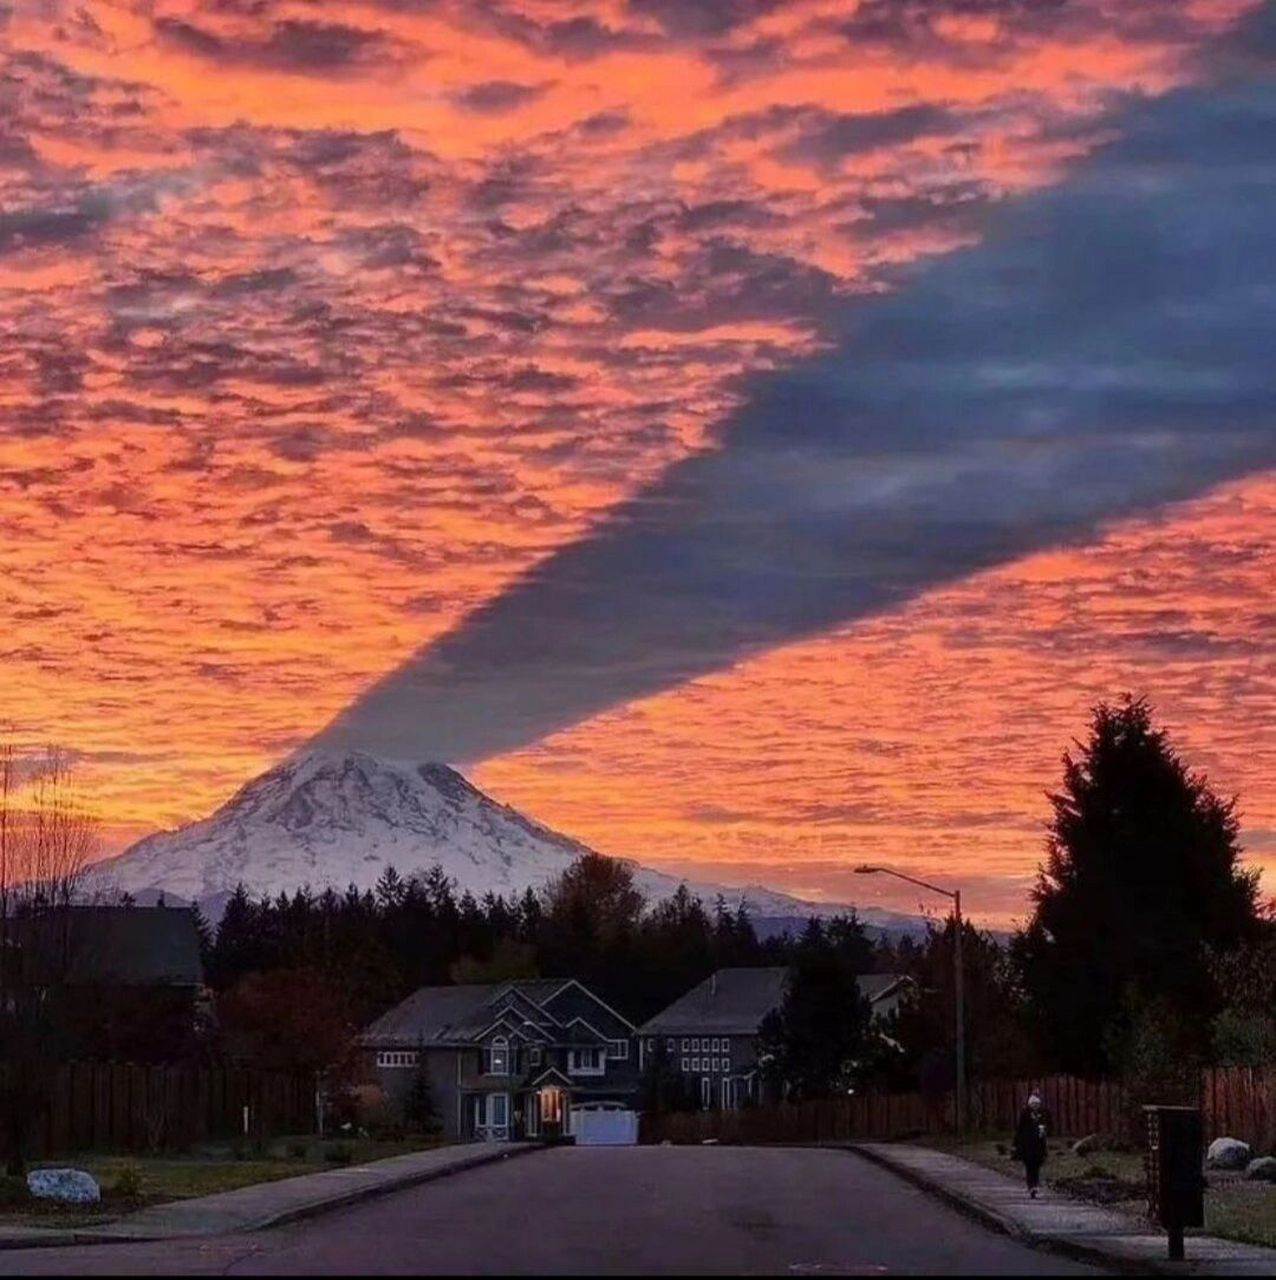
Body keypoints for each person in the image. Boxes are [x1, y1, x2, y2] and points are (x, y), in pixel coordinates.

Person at [1012, 1092, 1050, 1198]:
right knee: (1029, 1166)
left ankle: (1035, 1184)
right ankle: (1031, 1185)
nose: (1035, 1106)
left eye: (1037, 1104)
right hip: (1027, 1144)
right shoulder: (1025, 1114)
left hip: (1038, 1145)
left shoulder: (1042, 1114)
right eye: (1033, 1104)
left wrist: (1044, 1133)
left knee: (1037, 1166)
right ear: (1030, 1104)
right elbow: (1020, 1129)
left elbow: (1045, 1126)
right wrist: (1016, 1143)